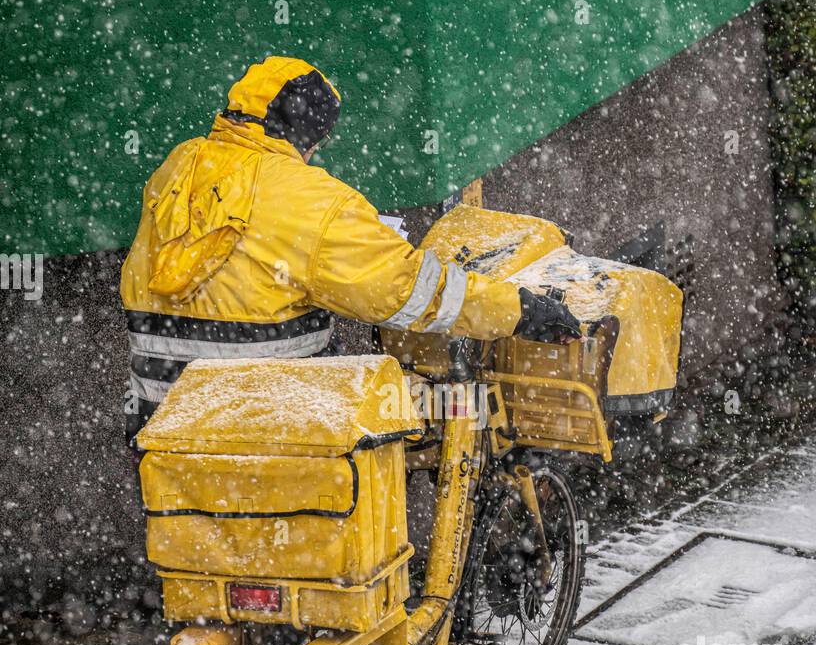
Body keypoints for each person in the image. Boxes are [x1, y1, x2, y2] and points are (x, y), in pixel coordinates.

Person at [120, 55, 579, 442]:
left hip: (163, 428)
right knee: (423, 403)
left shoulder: (179, 166)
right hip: (272, 438)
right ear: (307, 135)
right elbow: (408, 290)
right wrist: (517, 310)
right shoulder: (311, 200)